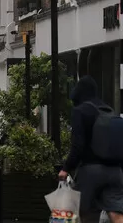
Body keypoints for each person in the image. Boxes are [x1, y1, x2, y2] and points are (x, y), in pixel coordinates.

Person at [59, 75, 123, 222]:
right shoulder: (108, 110)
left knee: (85, 214)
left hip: (91, 172)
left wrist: (66, 168)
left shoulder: (80, 111)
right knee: (117, 213)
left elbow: (78, 145)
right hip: (115, 172)